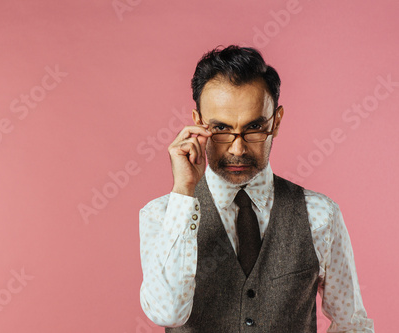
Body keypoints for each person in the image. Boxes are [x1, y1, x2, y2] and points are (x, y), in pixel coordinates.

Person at [139, 45, 374, 332]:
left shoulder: (320, 214)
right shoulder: (162, 214)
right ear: (199, 123)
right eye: (222, 129)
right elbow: (167, 313)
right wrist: (183, 192)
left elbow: (352, 322)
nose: (238, 149)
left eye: (253, 128)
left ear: (276, 121)